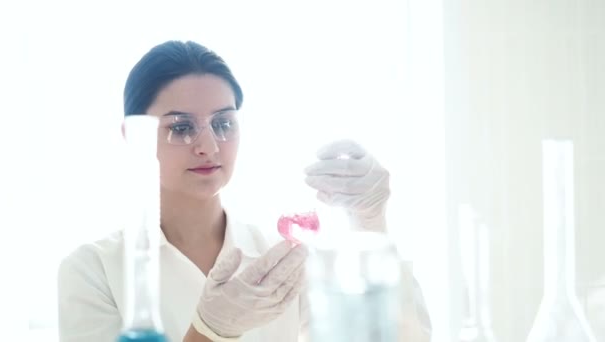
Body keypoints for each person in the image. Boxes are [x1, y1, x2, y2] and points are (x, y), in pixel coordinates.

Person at [57, 40, 431, 342]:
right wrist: (209, 330)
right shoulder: (95, 271)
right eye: (181, 127)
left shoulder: (283, 258)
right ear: (134, 137)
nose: (209, 146)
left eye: (223, 123)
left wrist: (370, 223)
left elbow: (400, 337)